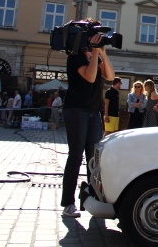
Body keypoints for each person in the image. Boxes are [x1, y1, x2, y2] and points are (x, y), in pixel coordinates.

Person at [61, 23, 115, 218]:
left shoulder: (95, 56)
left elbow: (110, 76)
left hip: (93, 111)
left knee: (93, 160)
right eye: (94, 36)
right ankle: (68, 203)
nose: (97, 39)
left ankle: (92, 198)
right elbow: (91, 77)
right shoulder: (74, 57)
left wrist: (102, 54)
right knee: (76, 156)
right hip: (76, 110)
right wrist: (93, 53)